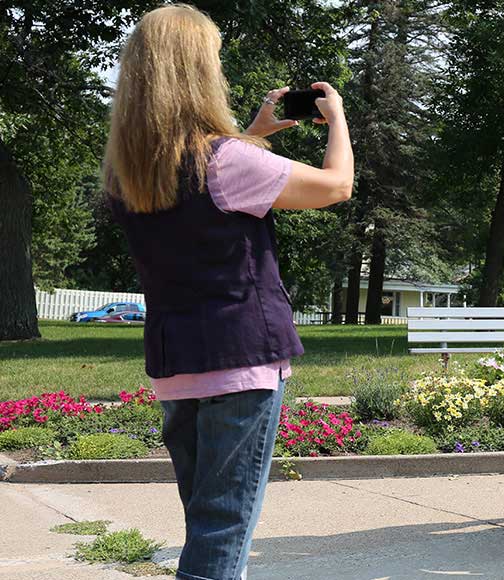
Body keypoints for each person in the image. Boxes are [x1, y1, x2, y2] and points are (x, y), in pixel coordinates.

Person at [103, 5, 354, 579]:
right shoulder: (228, 161)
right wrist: (336, 118)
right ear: (197, 73)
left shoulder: (128, 171)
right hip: (241, 361)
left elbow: (202, 179)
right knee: (223, 531)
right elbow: (336, 185)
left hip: (176, 364)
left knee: (207, 523)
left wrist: (255, 133)